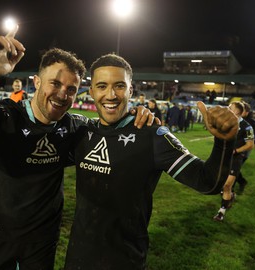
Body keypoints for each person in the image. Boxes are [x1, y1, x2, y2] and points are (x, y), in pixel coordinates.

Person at [0, 29, 153, 270]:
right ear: (37, 82)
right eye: (55, 83)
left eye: (71, 89)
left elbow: (112, 131)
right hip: (0, 232)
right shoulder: (5, 115)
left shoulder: (74, 126)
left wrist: (134, 114)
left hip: (43, 239)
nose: (62, 94)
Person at [63, 53, 238, 270]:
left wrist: (224, 143)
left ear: (130, 90)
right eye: (101, 86)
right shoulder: (80, 132)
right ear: (91, 92)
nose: (111, 95)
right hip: (77, 258)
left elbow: (208, 182)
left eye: (119, 86)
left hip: (125, 260)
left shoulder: (153, 136)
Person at [213, 101, 254, 222]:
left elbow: (250, 145)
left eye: (230, 107)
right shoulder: (226, 123)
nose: (228, 108)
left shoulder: (247, 127)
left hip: (236, 158)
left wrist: (235, 151)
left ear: (238, 111)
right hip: (223, 156)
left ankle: (221, 212)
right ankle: (230, 196)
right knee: (220, 183)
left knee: (227, 185)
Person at [235, 101, 255, 194]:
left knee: (235, 167)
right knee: (233, 167)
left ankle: (239, 183)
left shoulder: (250, 123)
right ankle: (239, 182)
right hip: (236, 147)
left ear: (246, 112)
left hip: (244, 149)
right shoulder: (236, 119)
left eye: (242, 110)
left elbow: (254, 136)